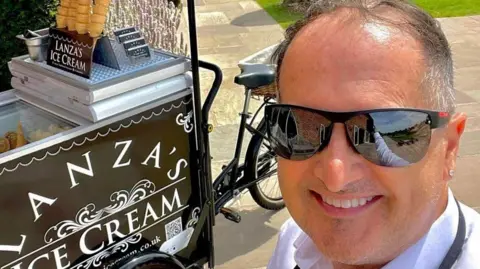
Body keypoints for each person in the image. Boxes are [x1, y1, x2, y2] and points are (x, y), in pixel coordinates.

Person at [264, 0, 480, 268]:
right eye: (298, 126)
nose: (335, 177)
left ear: (449, 149)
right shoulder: (292, 243)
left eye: (384, 129)